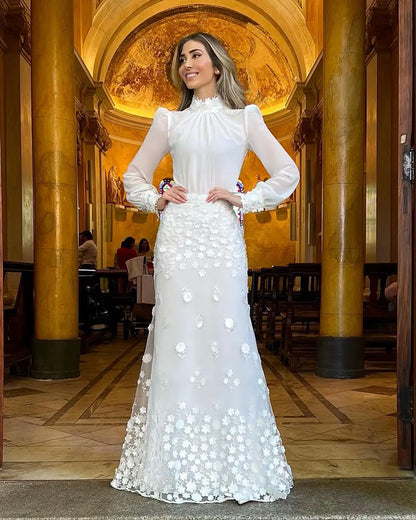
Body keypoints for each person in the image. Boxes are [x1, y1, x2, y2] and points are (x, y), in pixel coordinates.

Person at [111, 32, 299, 504]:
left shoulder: (246, 118)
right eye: (181, 58)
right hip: (177, 237)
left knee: (225, 335)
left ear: (217, 64)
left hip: (220, 236)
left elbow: (287, 172)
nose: (186, 64)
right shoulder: (168, 121)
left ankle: (233, 461)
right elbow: (132, 174)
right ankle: (177, 463)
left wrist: (246, 198)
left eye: (195, 55)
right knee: (179, 340)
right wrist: (157, 197)